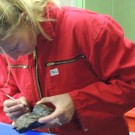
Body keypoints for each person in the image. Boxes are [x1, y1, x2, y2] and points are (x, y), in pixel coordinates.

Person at [0, 0, 135, 135]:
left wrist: (76, 103)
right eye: (3, 52)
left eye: (15, 47)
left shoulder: (88, 27)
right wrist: (19, 105)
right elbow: (9, 89)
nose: (13, 59)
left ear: (25, 19)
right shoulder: (8, 44)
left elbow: (131, 82)